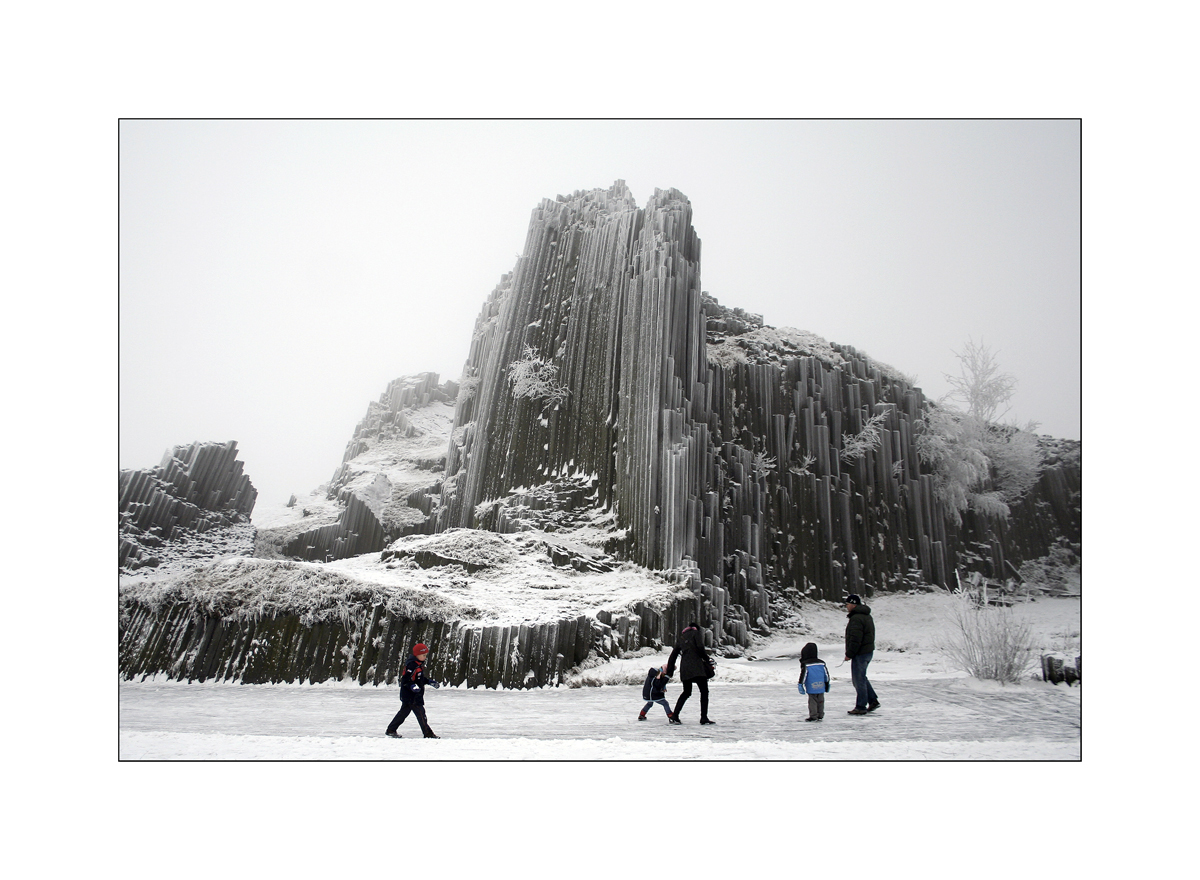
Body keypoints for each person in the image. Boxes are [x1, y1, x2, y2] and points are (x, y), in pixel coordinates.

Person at [386, 642, 441, 738]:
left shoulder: (418, 665)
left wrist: (429, 682)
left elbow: (419, 679)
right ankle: (428, 734)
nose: (425, 657)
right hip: (412, 696)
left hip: (414, 695)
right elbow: (406, 680)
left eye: (425, 655)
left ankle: (391, 729)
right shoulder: (411, 665)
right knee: (421, 714)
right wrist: (412, 686)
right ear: (417, 655)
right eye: (423, 655)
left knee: (403, 713)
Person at [666, 621, 715, 725]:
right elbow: (700, 647)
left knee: (686, 692)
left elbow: (673, 655)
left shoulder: (681, 637)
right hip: (697, 668)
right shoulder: (696, 633)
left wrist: (670, 671)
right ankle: (703, 717)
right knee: (704, 692)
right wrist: (707, 659)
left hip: (685, 669)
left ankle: (675, 716)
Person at [843, 594, 879, 715]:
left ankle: (861, 706)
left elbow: (855, 639)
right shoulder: (867, 616)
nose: (846, 606)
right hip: (868, 652)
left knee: (858, 680)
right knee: (861, 678)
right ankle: (872, 700)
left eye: (847, 604)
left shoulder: (856, 618)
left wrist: (849, 654)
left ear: (853, 605)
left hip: (860, 653)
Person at [797, 642, 831, 721]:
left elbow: (803, 675)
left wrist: (800, 684)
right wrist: (827, 683)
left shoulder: (806, 664)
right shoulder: (821, 663)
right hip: (821, 685)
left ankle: (813, 715)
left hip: (811, 685)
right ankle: (820, 714)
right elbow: (826, 674)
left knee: (812, 701)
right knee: (821, 700)